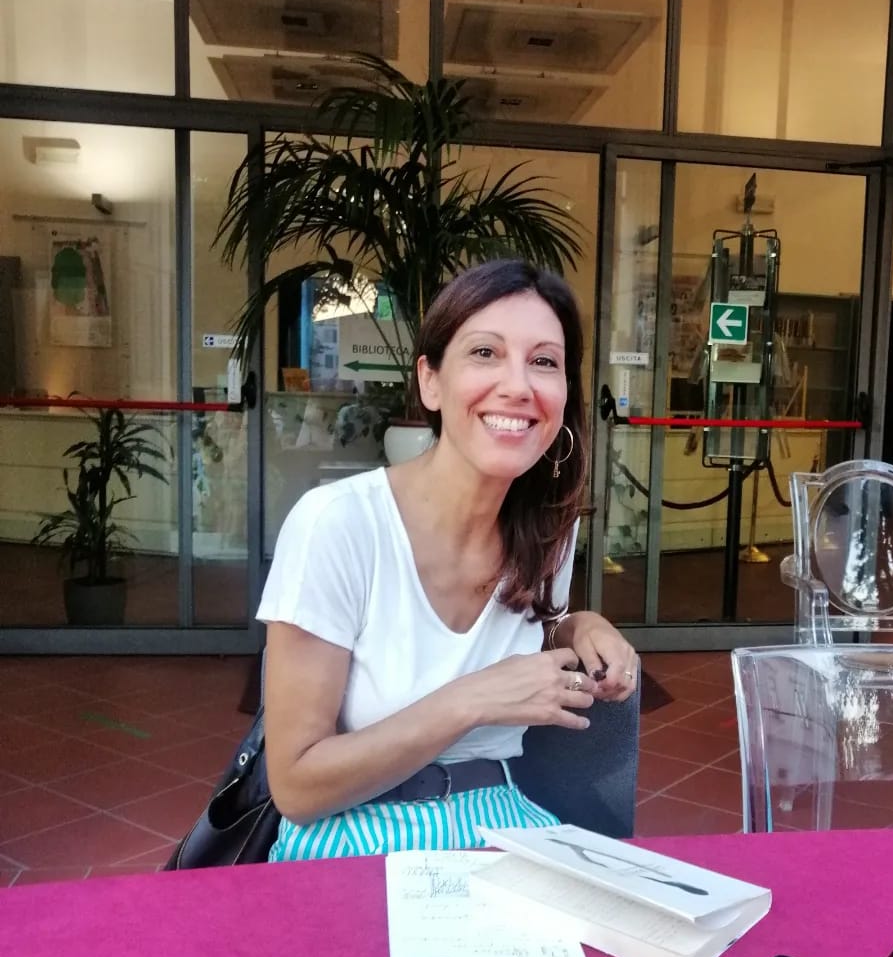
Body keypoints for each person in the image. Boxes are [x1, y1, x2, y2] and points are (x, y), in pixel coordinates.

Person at [257, 259, 638, 861]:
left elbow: (521, 644)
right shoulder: (338, 524)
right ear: (430, 381)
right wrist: (472, 699)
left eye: (544, 361)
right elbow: (297, 787)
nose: (519, 385)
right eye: (485, 353)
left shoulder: (549, 534)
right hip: (350, 835)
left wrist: (575, 626)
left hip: (502, 822)